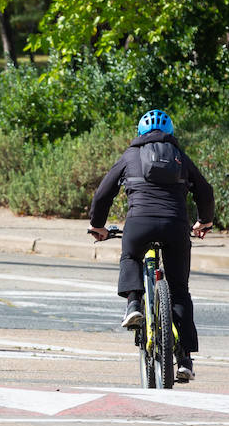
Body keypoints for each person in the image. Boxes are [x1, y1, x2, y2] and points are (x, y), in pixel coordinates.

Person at [88, 109, 214, 382]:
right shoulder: (180, 158)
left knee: (130, 256)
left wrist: (98, 226)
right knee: (180, 291)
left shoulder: (130, 156)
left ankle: (134, 304)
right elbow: (205, 190)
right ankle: (184, 359)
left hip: (138, 224)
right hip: (175, 226)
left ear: (139, 133)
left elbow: (103, 194)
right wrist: (204, 222)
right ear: (170, 132)